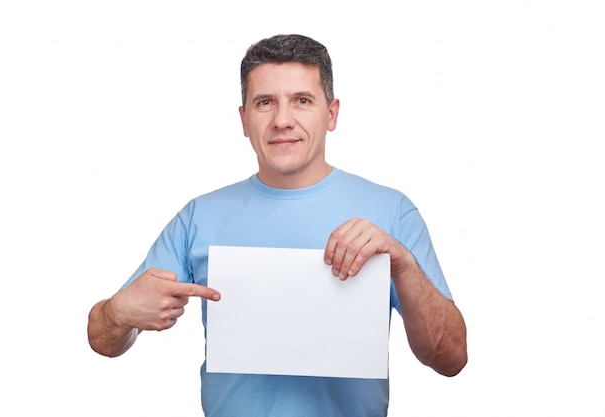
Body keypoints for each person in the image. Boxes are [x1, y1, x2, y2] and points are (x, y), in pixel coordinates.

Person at [87, 34, 467, 416]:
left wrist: (401, 262)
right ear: (243, 119)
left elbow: (451, 359)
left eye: (302, 101)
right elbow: (103, 340)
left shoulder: (392, 211)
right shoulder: (199, 217)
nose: (282, 120)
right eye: (265, 103)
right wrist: (118, 312)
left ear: (332, 114)